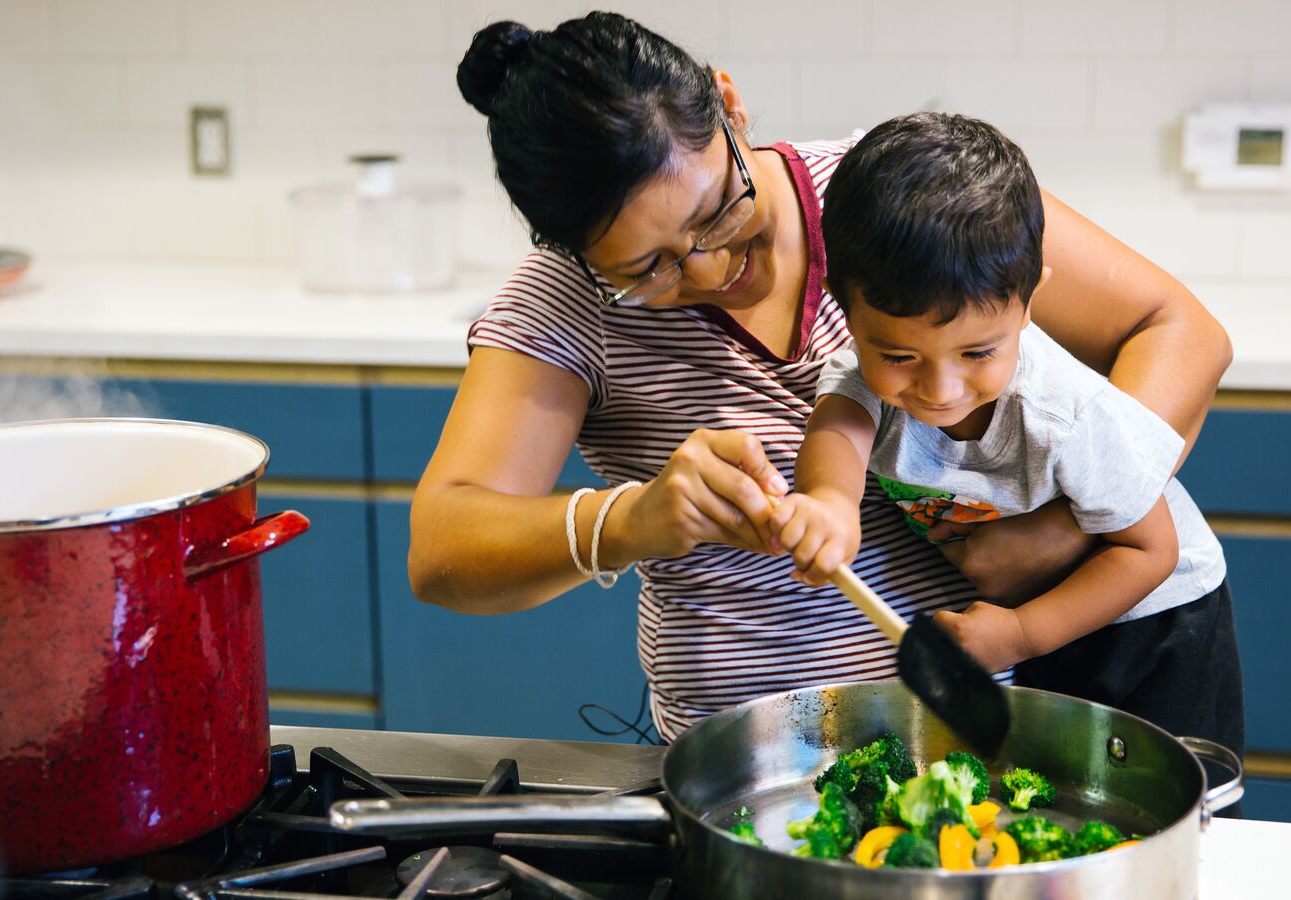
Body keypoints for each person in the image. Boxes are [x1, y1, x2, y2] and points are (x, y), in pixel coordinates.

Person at [412, 11, 1232, 741]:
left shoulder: (889, 197)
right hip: (748, 758)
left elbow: (1179, 330)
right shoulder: (567, 303)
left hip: (971, 731)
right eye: (648, 268)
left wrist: (1069, 532)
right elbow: (444, 548)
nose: (709, 269)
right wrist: (628, 521)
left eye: (717, 212)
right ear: (573, 254)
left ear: (729, 108)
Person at [772, 112, 1243, 755]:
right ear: (843, 306)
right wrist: (826, 503)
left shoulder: (1067, 413)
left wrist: (1020, 634)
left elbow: (1147, 552)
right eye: (901, 357)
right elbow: (837, 434)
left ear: (1028, 301)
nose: (938, 390)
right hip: (1042, 623)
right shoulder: (860, 378)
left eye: (976, 353)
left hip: (1156, 621)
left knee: (1181, 814)